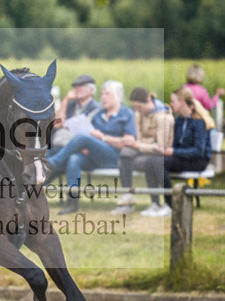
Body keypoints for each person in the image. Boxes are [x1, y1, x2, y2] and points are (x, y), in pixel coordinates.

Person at [43, 80, 136, 214]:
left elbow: (129, 142)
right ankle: (72, 202)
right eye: (102, 94)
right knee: (74, 159)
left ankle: (52, 163)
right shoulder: (98, 115)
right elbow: (86, 135)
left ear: (118, 96)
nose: (103, 97)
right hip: (94, 156)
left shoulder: (127, 114)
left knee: (83, 137)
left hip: (114, 157)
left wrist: (103, 137)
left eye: (107, 94)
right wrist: (87, 144)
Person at [140, 87, 213, 217]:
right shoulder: (179, 120)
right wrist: (164, 150)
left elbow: (198, 151)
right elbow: (175, 143)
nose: (171, 104)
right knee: (150, 161)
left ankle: (170, 205)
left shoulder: (199, 122)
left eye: (173, 101)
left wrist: (173, 152)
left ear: (182, 102)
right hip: (181, 156)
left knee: (158, 163)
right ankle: (155, 204)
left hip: (197, 161)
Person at [114, 87, 174, 215]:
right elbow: (139, 138)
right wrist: (137, 144)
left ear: (148, 101)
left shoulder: (163, 117)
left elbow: (161, 146)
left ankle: (159, 203)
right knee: (124, 154)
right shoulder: (138, 114)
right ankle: (128, 195)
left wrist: (138, 144)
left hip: (161, 153)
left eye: (139, 107)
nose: (136, 111)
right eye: (134, 107)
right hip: (145, 149)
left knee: (150, 163)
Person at [52, 74, 102, 147]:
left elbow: (85, 132)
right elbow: (57, 125)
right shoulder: (70, 105)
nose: (77, 89)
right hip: (61, 142)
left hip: (80, 147)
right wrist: (66, 100)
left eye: (81, 86)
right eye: (76, 86)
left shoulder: (96, 108)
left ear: (91, 90)